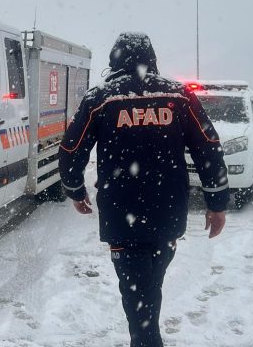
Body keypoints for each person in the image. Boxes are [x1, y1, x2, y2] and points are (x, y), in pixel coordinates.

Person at [58, 32, 229, 347]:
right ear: (151, 58)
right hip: (168, 216)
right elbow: (209, 149)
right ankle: (147, 335)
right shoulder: (179, 97)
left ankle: (147, 339)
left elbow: (71, 151)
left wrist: (75, 189)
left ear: (115, 59)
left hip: (123, 218)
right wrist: (217, 202)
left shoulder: (101, 98)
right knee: (148, 286)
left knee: (140, 293)